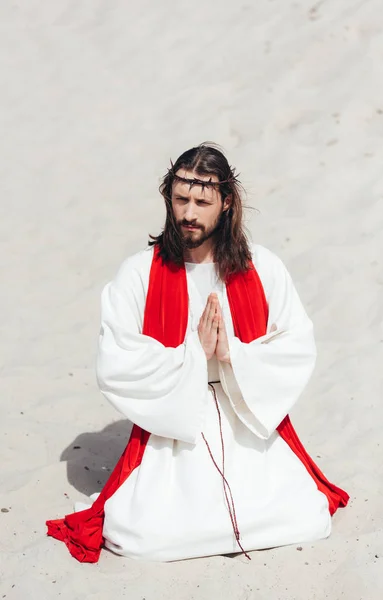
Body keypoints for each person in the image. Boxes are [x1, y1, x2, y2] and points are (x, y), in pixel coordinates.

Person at [46, 143, 348, 563]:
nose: (189, 213)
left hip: (243, 414)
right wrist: (191, 354)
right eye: (181, 200)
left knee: (306, 519)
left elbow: (295, 344)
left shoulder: (263, 266)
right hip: (176, 424)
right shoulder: (138, 272)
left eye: (202, 202)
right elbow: (116, 358)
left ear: (225, 203)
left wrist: (232, 354)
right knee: (145, 538)